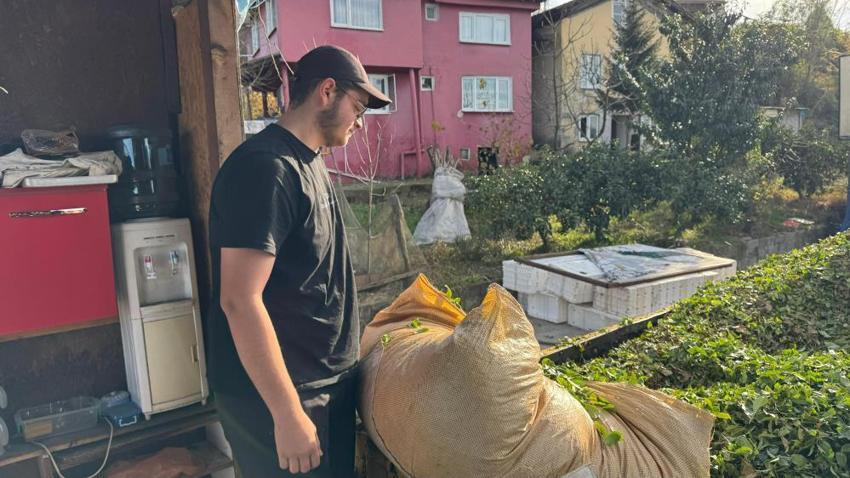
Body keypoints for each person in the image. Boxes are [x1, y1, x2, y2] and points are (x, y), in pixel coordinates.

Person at [207, 45, 391, 477]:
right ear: (327, 91)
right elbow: (239, 299)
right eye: (358, 107)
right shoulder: (265, 169)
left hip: (321, 387)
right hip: (287, 397)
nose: (360, 123)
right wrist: (287, 413)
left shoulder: (309, 163)